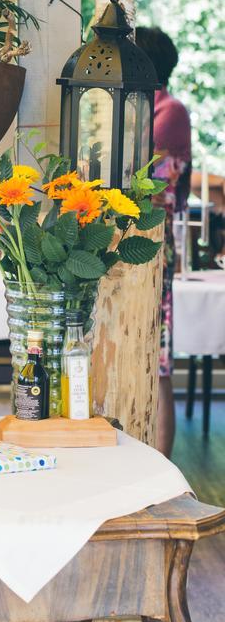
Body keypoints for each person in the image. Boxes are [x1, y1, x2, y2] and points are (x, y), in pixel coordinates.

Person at [136, 26, 192, 458]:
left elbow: (147, 177)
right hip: (131, 243)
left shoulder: (169, 111)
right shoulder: (142, 108)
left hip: (155, 246)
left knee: (156, 362)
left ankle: (164, 470)